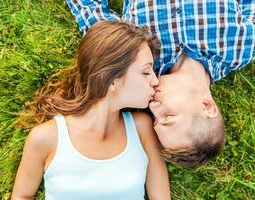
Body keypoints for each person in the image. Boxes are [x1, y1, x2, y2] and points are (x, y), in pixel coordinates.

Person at [66, 0, 255, 167]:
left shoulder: (138, 59)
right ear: (207, 107)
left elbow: (92, 15)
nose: (153, 107)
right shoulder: (239, 50)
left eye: (156, 120)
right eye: (168, 117)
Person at [11, 21, 170, 199]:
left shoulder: (143, 129)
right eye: (146, 72)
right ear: (111, 79)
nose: (156, 81)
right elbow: (22, 196)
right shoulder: (46, 137)